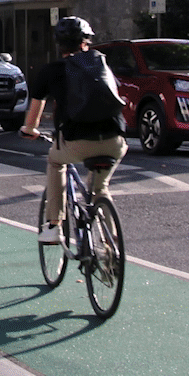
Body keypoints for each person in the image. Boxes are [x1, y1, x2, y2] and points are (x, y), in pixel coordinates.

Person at [18, 16, 128, 245]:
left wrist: (30, 130)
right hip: (114, 140)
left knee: (56, 162)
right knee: (100, 188)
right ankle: (111, 247)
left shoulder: (52, 71)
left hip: (76, 142)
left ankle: (54, 225)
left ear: (59, 44)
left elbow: (34, 113)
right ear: (85, 42)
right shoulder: (102, 64)